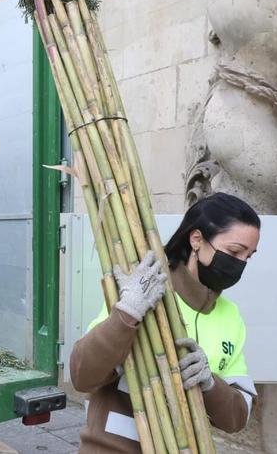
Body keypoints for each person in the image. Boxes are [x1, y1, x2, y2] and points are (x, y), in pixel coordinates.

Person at [69, 193, 261, 451]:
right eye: (234, 251)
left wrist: (211, 384)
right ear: (196, 240)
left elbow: (238, 417)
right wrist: (127, 312)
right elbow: (83, 376)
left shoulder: (230, 316)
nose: (239, 264)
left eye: (248, 257)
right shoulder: (143, 289)